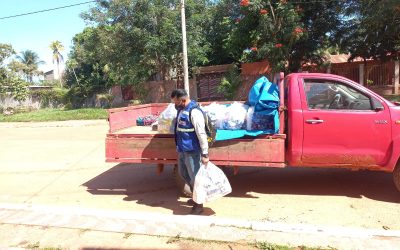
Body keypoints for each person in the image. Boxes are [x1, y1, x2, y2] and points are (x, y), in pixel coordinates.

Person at [171, 89, 209, 215]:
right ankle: (195, 197)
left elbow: (201, 134)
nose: (174, 105)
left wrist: (205, 154)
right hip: (182, 150)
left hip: (192, 151)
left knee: (195, 178)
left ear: (182, 100)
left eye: (175, 102)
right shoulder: (181, 110)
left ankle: (199, 205)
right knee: (183, 174)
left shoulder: (194, 112)